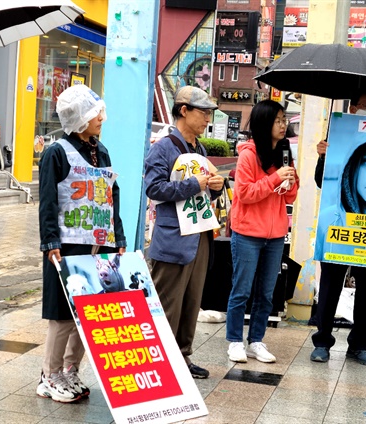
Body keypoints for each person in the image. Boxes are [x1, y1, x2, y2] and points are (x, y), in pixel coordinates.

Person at [37, 84, 127, 403]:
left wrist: (118, 238)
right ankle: (50, 376)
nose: (102, 117)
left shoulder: (101, 150)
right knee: (62, 314)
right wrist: (50, 242)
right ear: (80, 118)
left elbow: (110, 195)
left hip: (98, 243)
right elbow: (47, 200)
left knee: (89, 312)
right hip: (66, 244)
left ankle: (71, 370)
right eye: (95, 113)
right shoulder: (56, 152)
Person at [311, 93, 366, 366]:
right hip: (341, 232)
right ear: (352, 108)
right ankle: (322, 342)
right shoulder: (338, 139)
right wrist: (323, 156)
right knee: (329, 286)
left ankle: (359, 346)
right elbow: (320, 182)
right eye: (365, 106)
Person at [144, 85, 225, 379]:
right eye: (203, 112)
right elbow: (154, 189)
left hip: (200, 235)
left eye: (209, 113)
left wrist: (215, 188)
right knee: (168, 303)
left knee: (192, 300)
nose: (207, 119)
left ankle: (182, 356)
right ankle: (161, 361)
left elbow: (202, 194)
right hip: (173, 237)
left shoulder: (199, 149)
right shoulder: (163, 147)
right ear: (183, 111)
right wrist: (197, 184)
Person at [226, 100, 298, 363]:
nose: (283, 125)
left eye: (284, 120)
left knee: (266, 293)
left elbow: (289, 197)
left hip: (276, 235)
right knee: (241, 289)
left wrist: (290, 180)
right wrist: (275, 178)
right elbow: (244, 194)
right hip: (247, 234)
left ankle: (256, 340)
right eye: (278, 120)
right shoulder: (248, 155)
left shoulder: (283, 153)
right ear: (264, 122)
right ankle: (234, 341)